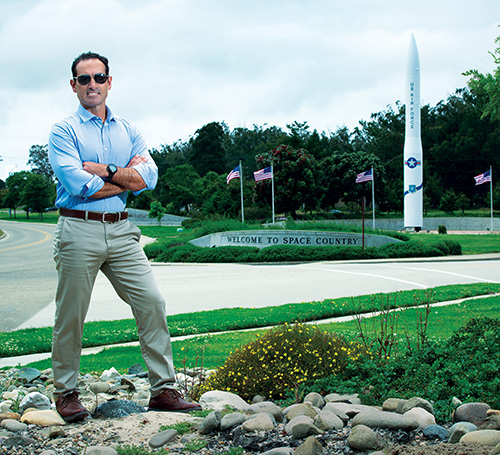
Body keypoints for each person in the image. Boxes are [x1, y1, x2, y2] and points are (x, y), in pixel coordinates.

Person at [48, 52, 201, 422]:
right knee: (71, 316)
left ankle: (163, 390)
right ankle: (66, 393)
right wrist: (122, 179)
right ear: (74, 86)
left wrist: (104, 171)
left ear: (109, 81)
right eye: (84, 80)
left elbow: (149, 178)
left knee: (151, 301)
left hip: (121, 231)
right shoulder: (63, 131)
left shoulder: (127, 129)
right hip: (78, 229)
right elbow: (76, 185)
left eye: (98, 77)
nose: (92, 85)